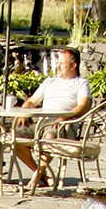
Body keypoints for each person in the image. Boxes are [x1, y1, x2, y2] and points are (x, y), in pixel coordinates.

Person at [14, 47, 92, 185]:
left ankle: (36, 177)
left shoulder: (81, 83)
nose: (58, 66)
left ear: (74, 65)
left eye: (62, 63)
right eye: (58, 62)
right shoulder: (49, 82)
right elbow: (32, 101)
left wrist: (64, 117)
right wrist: (24, 112)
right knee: (14, 137)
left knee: (50, 137)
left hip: (64, 126)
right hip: (42, 124)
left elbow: (83, 106)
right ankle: (42, 175)